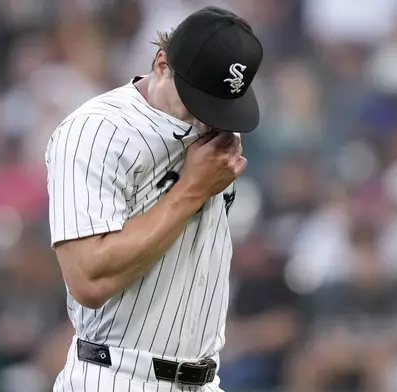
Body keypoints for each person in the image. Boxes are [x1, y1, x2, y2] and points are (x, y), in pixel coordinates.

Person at [44, 6, 263, 392]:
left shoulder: (218, 135)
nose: (207, 119)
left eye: (219, 106)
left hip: (205, 380)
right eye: (198, 100)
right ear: (162, 63)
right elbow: (88, 279)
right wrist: (191, 189)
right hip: (117, 377)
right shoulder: (95, 132)